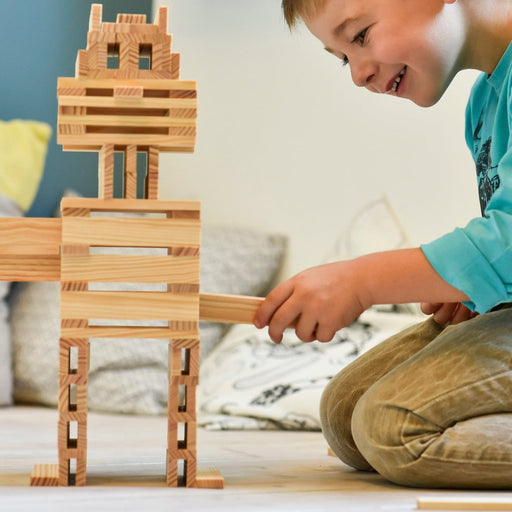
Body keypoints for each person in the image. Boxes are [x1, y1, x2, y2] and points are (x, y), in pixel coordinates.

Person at [254, 0, 512, 488]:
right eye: (343, 59)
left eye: (360, 36)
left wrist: (361, 281)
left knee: (394, 429)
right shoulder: (484, 103)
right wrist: (478, 287)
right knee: (344, 411)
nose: (357, 75)